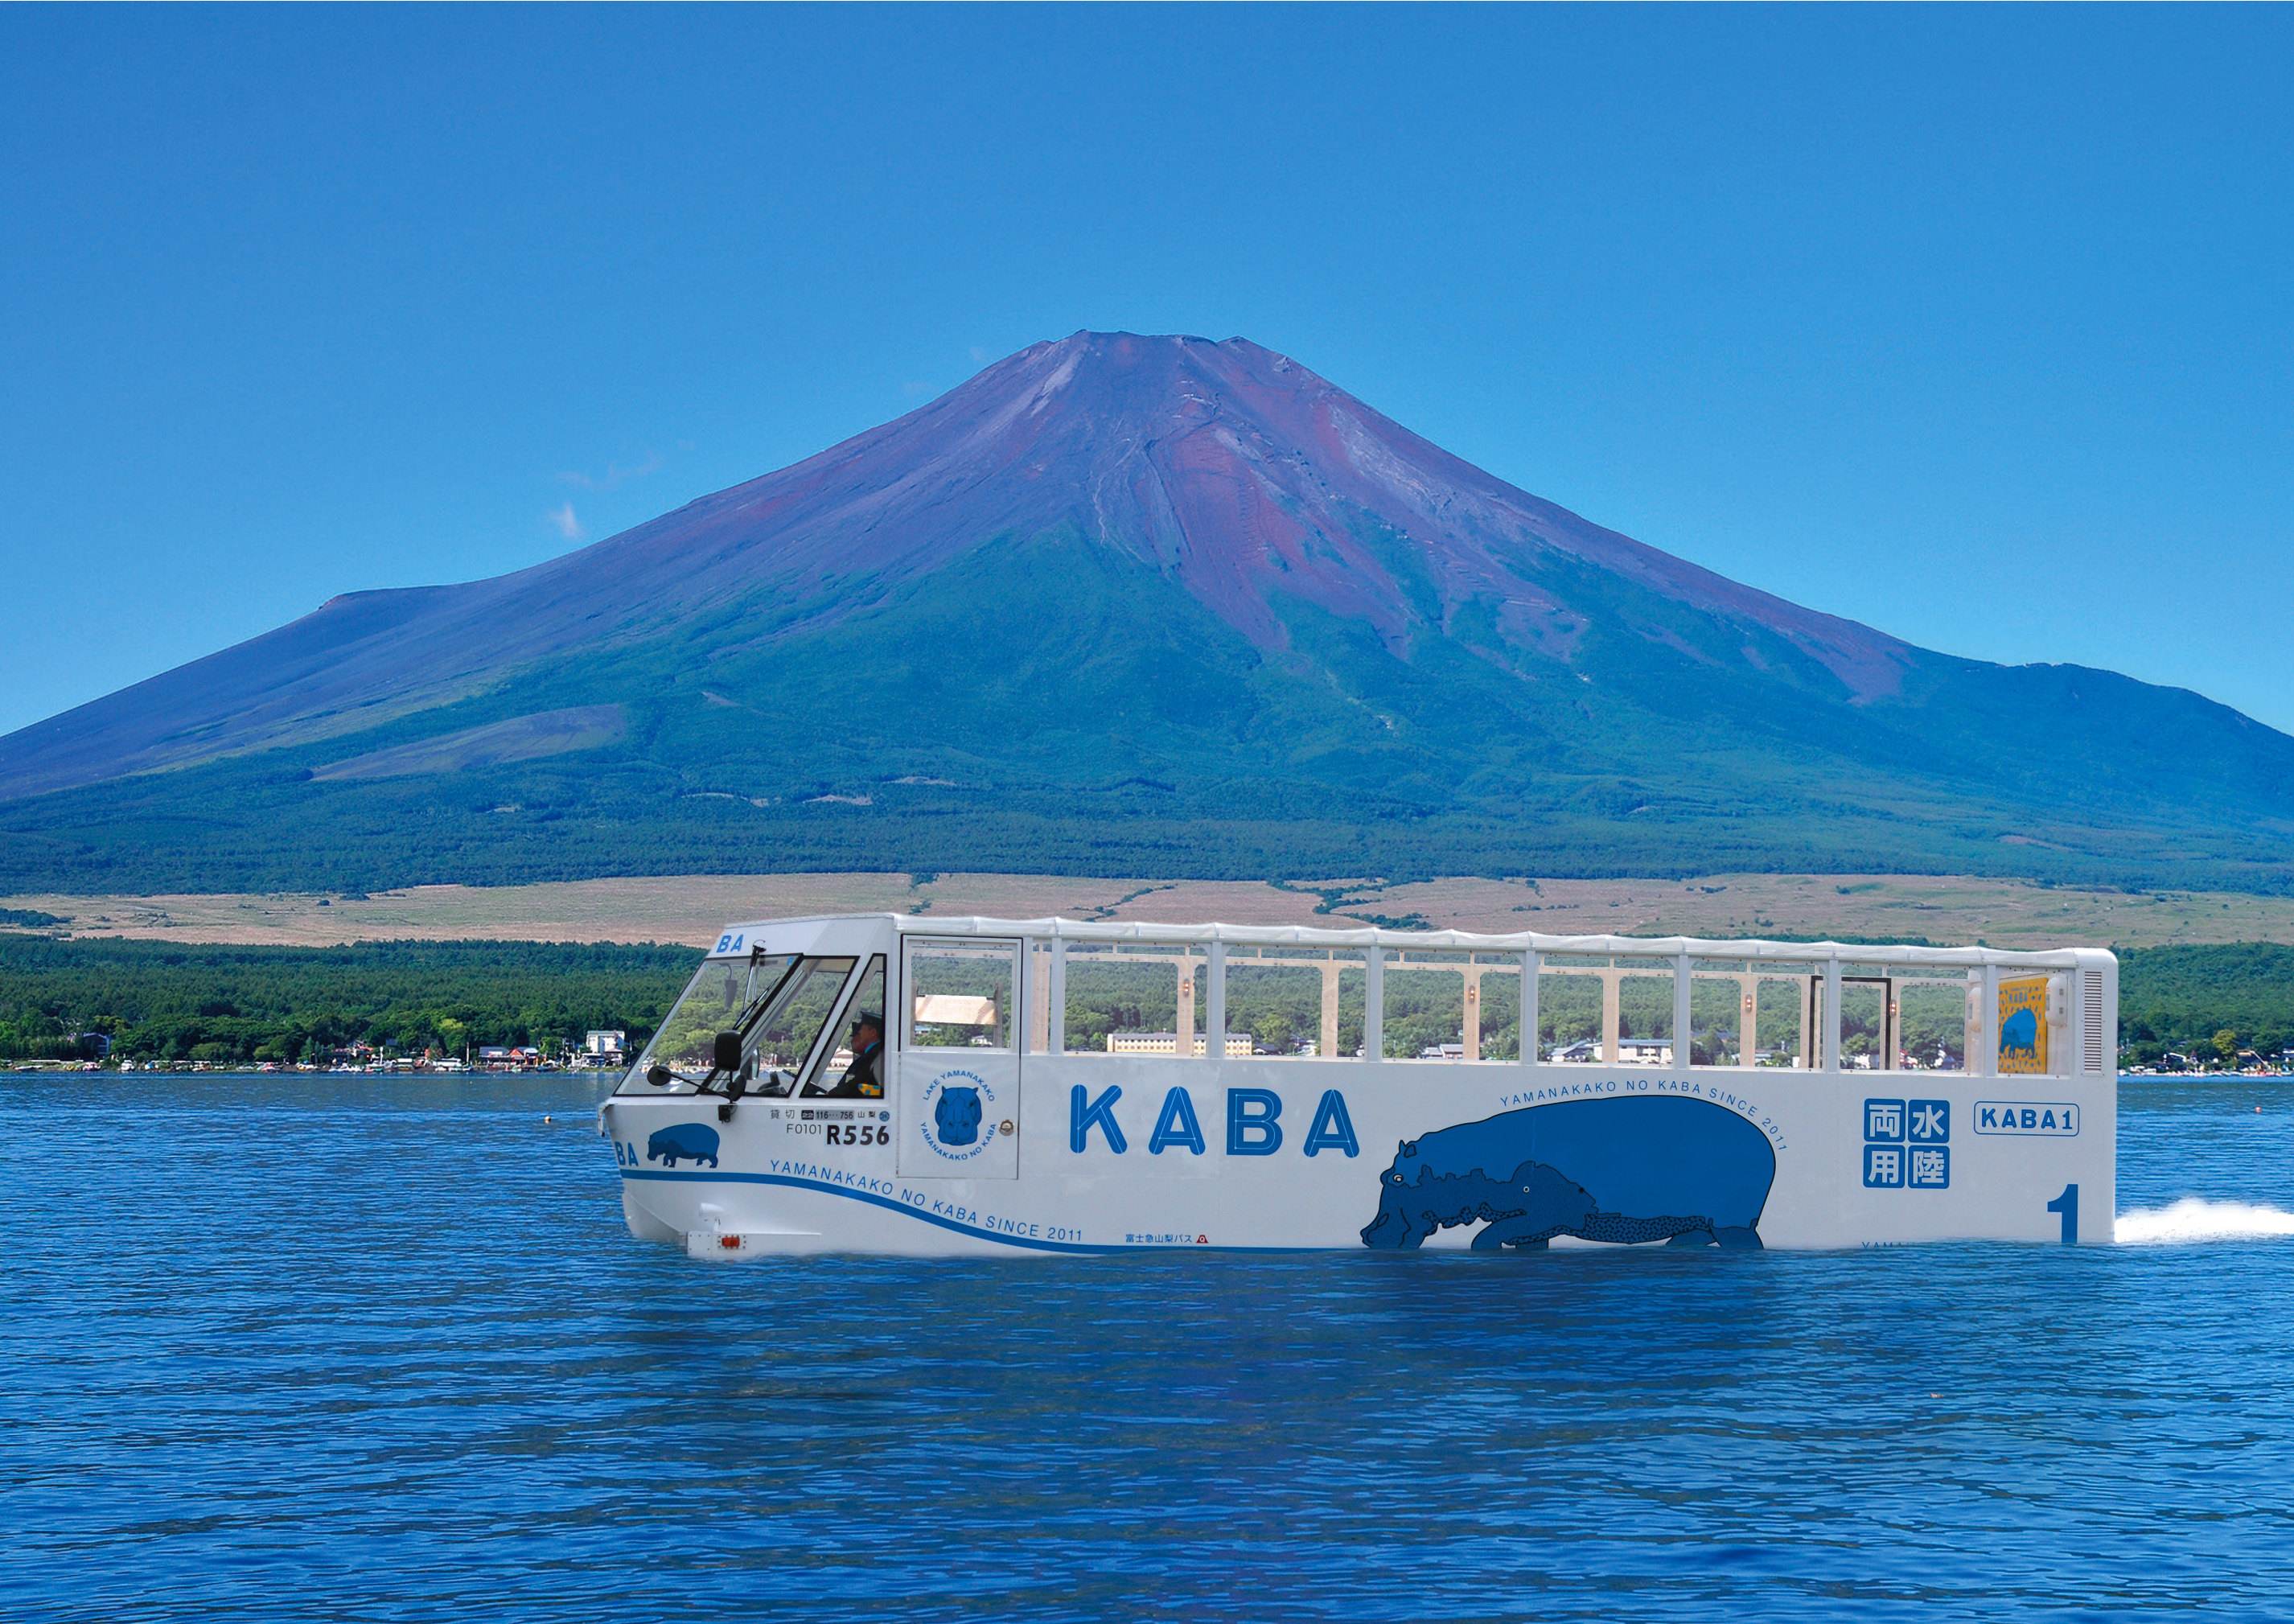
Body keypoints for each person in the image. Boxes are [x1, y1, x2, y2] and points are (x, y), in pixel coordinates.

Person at [824, 1011, 883, 1099]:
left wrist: (831, 1095)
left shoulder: (873, 1057)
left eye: (862, 1029)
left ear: (873, 1033)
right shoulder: (874, 1055)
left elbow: (857, 1085)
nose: (859, 1031)